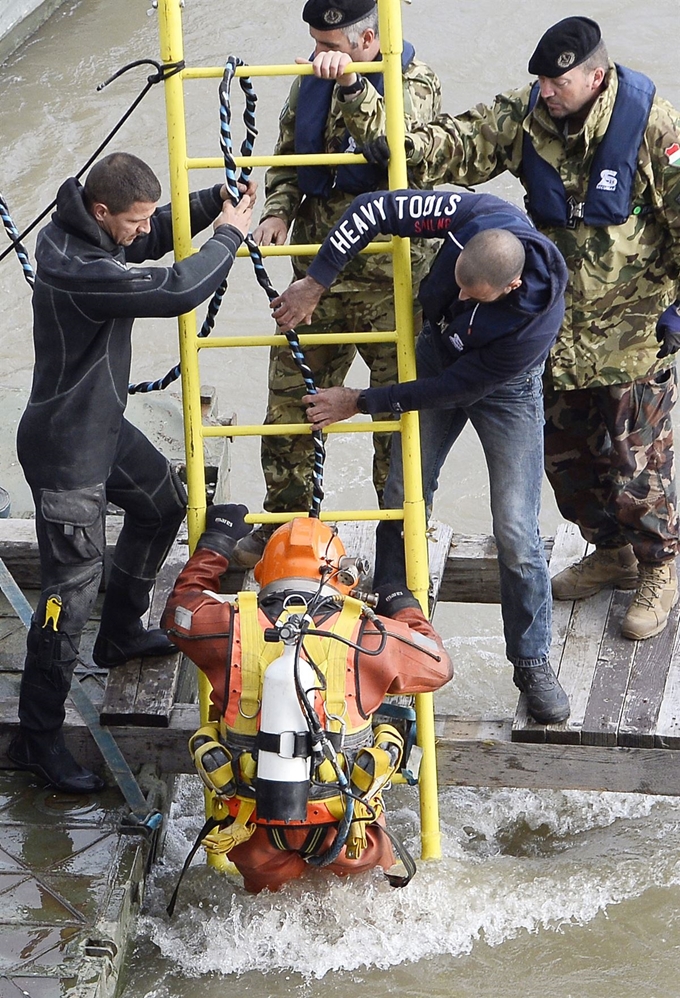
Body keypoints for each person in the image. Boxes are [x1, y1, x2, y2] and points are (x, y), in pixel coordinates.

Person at [389, 16, 680, 641]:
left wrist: (676, 315)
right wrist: (395, 147)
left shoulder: (655, 126)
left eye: (558, 80)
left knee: (639, 466)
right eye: (541, 80)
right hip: (550, 329)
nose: (546, 90)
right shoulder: (527, 117)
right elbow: (462, 144)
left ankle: (659, 566)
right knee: (568, 462)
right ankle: (610, 552)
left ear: (595, 76)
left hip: (632, 332)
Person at [272, 188, 571, 726]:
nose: (461, 297)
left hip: (500, 386)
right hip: (438, 351)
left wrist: (358, 402)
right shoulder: (469, 214)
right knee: (404, 490)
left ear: (511, 287)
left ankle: (531, 662)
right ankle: (392, 591)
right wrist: (316, 281)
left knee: (517, 532)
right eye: (457, 283)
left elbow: (449, 390)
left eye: (474, 297)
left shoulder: (532, 322)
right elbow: (371, 207)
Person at [8, 152, 254, 794]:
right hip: (66, 454)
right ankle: (38, 739)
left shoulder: (92, 231)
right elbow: (176, 290)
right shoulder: (77, 267)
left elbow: (155, 231)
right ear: (101, 212)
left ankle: (119, 635)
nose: (144, 231)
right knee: (67, 600)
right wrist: (230, 233)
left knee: (163, 504)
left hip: (102, 427)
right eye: (135, 221)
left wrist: (212, 202)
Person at [231, 0, 442, 567]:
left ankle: (399, 535)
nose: (318, 56)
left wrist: (351, 87)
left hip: (390, 285)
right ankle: (286, 524)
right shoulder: (308, 84)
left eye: (330, 47)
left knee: (394, 420)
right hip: (315, 281)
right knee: (288, 407)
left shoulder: (413, 83)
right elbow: (285, 161)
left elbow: (396, 149)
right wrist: (277, 210)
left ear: (369, 40)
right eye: (315, 44)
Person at [162, 502, 452, 894]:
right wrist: (398, 599)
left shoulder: (226, 626)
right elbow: (438, 665)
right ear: (342, 577)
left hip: (252, 827)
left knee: (269, 908)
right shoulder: (371, 636)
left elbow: (180, 608)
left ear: (262, 574)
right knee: (357, 907)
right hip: (347, 829)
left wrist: (217, 540)